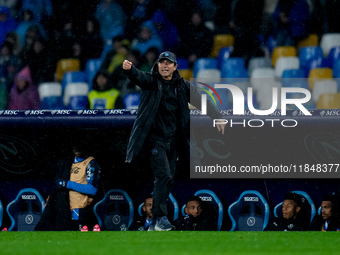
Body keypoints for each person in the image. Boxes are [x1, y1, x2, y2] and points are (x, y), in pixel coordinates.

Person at [122, 51, 225, 231]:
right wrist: (130, 70)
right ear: (158, 65)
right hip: (155, 140)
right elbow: (139, 77)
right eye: (162, 62)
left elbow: (201, 100)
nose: (165, 65)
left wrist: (216, 116)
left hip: (173, 142)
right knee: (164, 175)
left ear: (175, 67)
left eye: (168, 63)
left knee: (167, 179)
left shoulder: (182, 86)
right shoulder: (151, 81)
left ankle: (155, 221)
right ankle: (161, 218)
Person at [35, 141, 101, 231]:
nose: (77, 149)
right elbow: (58, 183)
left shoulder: (91, 162)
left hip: (79, 208)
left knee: (79, 239)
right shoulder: (68, 162)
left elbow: (92, 189)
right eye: (74, 146)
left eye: (79, 146)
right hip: (64, 208)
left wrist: (67, 184)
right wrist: (52, 198)